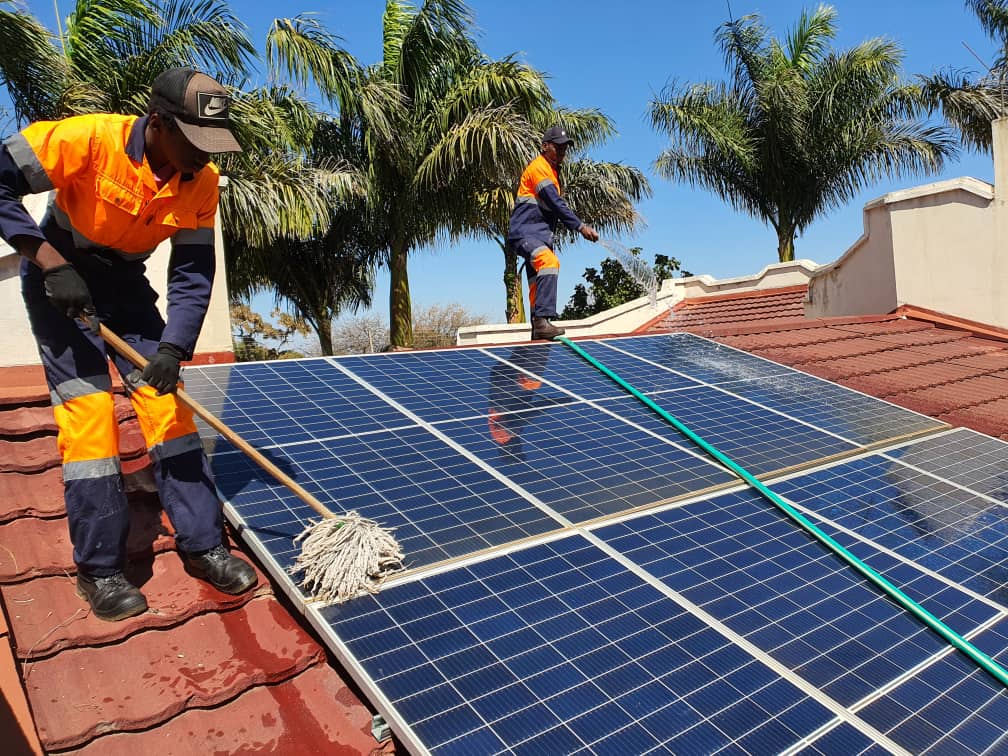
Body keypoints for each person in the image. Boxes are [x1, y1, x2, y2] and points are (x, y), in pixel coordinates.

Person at [0, 68, 257, 621]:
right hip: (62, 281)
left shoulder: (201, 181)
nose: (202, 156)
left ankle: (203, 545)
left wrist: (173, 349)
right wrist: (49, 262)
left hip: (126, 289)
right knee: (91, 418)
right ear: (158, 124)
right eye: (193, 140)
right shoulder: (88, 139)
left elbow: (192, 271)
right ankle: (99, 571)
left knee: (168, 408)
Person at [507, 125, 599, 340]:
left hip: (538, 236)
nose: (562, 151)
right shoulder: (539, 168)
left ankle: (537, 328)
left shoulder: (552, 172)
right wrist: (580, 226)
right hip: (525, 234)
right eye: (557, 147)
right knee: (549, 262)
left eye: (565, 147)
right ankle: (541, 322)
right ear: (545, 146)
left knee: (536, 283)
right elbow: (555, 203)